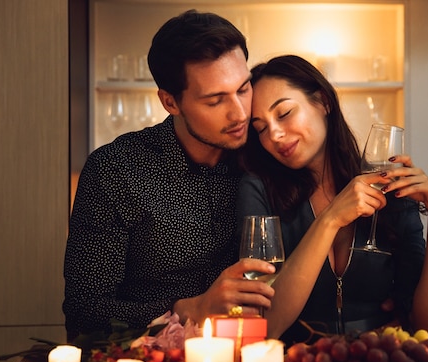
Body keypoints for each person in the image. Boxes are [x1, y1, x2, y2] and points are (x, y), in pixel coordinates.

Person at [63, 10, 275, 341]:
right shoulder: (115, 171)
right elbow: (85, 311)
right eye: (215, 100)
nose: (239, 113)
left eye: (244, 89)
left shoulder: (264, 154)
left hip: (250, 359)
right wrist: (191, 307)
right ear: (170, 102)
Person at [237, 55, 428, 347]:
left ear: (323, 101)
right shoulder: (258, 189)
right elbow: (267, 325)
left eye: (285, 113)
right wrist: (330, 219)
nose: (274, 134)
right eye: (260, 128)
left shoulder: (385, 187)